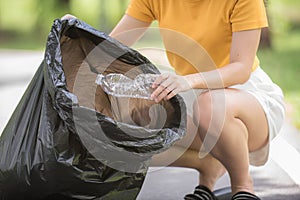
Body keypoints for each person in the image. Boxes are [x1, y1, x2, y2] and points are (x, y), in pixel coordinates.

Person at [62, 0, 285, 199]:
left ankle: (243, 187)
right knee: (127, 124)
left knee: (209, 105)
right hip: (196, 98)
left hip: (246, 100)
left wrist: (188, 81)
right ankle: (207, 166)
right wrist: (77, 30)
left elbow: (241, 69)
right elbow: (109, 50)